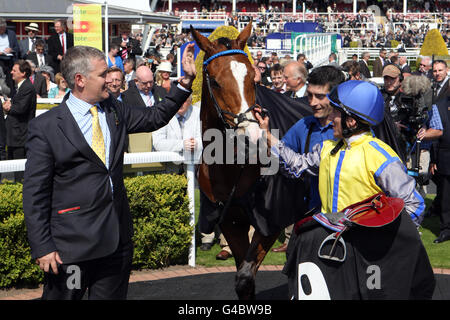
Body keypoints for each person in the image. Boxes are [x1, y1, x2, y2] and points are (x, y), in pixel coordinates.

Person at [22, 44, 196, 300]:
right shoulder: (46, 127)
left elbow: (154, 117)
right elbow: (35, 192)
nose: (111, 81)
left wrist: (186, 82)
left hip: (116, 244)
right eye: (103, 75)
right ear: (80, 80)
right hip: (71, 250)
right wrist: (42, 246)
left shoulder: (115, 110)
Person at [256, 80, 434, 299]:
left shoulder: (380, 156)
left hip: (365, 252)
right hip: (330, 245)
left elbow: (414, 205)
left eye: (335, 115)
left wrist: (382, 240)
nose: (329, 120)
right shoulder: (327, 148)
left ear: (350, 121)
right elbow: (296, 166)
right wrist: (266, 134)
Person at [271, 66, 342, 253]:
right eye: (310, 95)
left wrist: (267, 138)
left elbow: (299, 165)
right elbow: (281, 157)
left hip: (343, 220)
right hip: (309, 216)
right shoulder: (304, 125)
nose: (312, 102)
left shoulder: (352, 132)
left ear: (336, 97)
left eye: (320, 96)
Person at [2, 60, 36, 181]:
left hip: (20, 136)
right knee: (12, 170)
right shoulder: (20, 88)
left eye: (14, 70)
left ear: (23, 73)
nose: (11, 72)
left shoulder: (27, 87)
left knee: (19, 173)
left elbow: (21, 108)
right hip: (14, 135)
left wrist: (8, 107)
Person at [430, 95, 450, 243]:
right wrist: (434, 159)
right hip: (445, 156)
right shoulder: (439, 105)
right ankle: (446, 230)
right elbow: (435, 134)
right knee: (445, 196)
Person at [0, 18, 20, 97]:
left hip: (9, 59)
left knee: (10, 79)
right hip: (0, 60)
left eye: (3, 29)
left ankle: (11, 96)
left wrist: (11, 49)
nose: (2, 31)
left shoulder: (11, 34)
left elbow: (17, 48)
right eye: (1, 29)